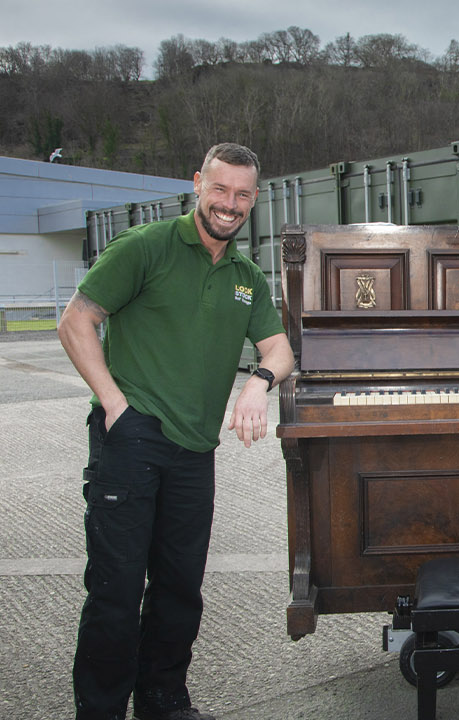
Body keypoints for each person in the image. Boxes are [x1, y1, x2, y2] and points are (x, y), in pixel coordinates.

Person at [57, 143, 292, 720]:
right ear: (198, 185)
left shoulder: (245, 274)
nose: (229, 204)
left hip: (195, 452)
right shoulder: (147, 247)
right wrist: (114, 405)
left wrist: (258, 383)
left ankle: (162, 701)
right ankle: (102, 710)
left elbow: (280, 346)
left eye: (242, 194)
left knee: (179, 590)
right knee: (115, 591)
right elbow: (77, 320)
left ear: (254, 200)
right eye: (220, 189)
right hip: (132, 442)